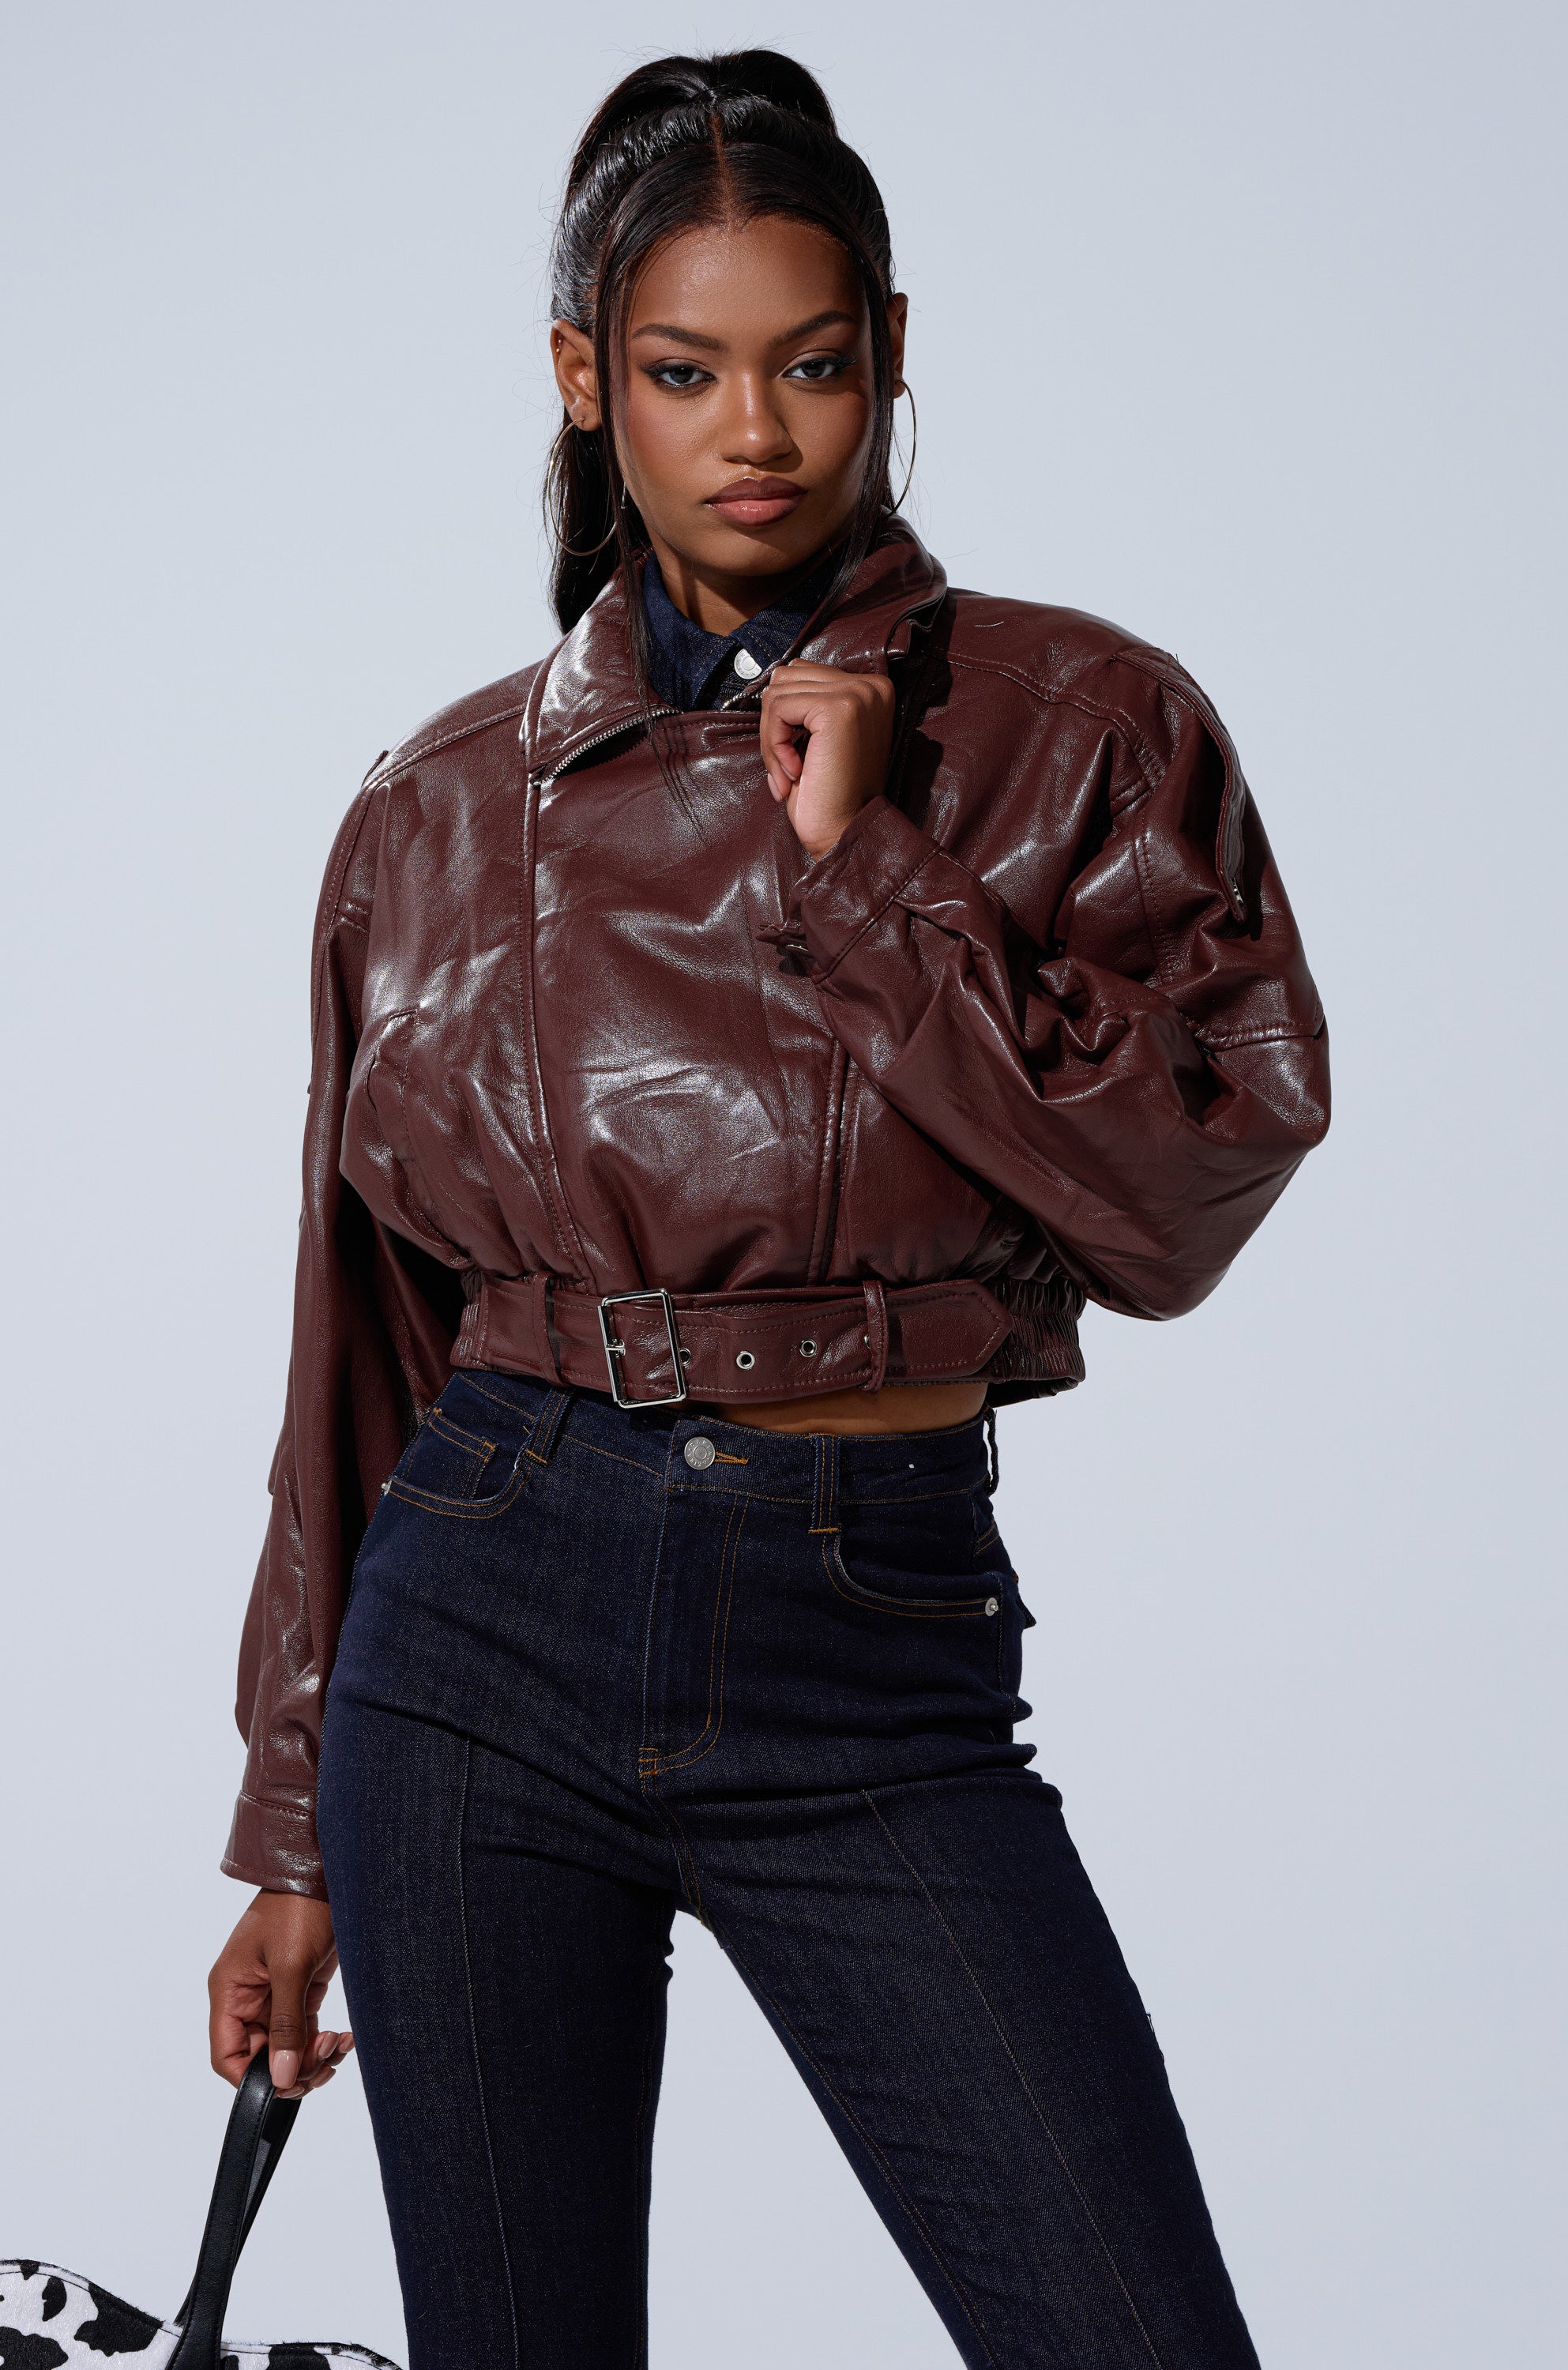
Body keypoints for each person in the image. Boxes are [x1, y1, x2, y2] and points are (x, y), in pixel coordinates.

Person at [207, 48, 1329, 2370]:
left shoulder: (1079, 730)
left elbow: (1185, 1199)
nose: (755, 433)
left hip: (869, 1644)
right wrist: (290, 1834)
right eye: (683, 370)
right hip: (479, 1629)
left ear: (892, 352)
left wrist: (870, 874)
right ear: (580, 378)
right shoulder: (434, 811)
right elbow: (362, 1344)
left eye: (811, 366)